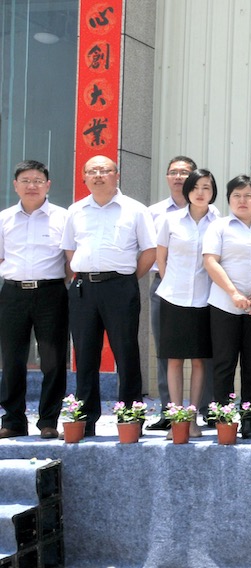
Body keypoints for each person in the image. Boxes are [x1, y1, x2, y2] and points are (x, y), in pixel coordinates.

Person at [61, 155, 156, 436]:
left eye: (105, 170)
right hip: (84, 288)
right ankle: (85, 419)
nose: (98, 175)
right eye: (92, 171)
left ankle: (130, 417)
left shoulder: (135, 210)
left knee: (126, 352)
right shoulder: (76, 210)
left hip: (120, 287)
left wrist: (127, 280)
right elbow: (70, 250)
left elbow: (150, 251)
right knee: (84, 354)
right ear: (84, 177)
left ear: (117, 175)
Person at [0, 160, 69, 439]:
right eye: (26, 181)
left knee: (53, 360)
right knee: (11, 359)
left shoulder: (63, 217)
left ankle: (48, 421)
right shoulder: (4, 218)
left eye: (38, 181)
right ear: (15, 185)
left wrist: (57, 283)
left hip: (51, 293)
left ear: (48, 185)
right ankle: (13, 421)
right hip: (13, 293)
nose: (32, 186)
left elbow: (70, 260)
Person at [204, 175, 251, 439]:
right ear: (229, 199)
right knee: (224, 363)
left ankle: (250, 417)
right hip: (224, 304)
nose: (243, 201)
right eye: (237, 196)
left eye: (248, 196)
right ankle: (224, 417)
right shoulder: (218, 227)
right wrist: (233, 293)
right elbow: (211, 262)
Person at [154, 168, 218, 439]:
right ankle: (176, 419)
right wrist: (172, 283)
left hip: (205, 299)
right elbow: (161, 257)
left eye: (206, 187)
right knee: (174, 360)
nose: (200, 193)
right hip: (173, 297)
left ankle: (192, 419)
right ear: (188, 190)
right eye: (196, 187)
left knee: (200, 361)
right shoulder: (170, 220)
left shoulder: (219, 222)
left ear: (213, 192)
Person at [146, 156, 198, 430]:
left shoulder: (211, 213)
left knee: (203, 353)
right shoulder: (154, 213)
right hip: (164, 286)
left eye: (184, 172)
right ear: (167, 177)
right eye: (173, 172)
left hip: (201, 289)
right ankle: (170, 412)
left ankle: (204, 410)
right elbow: (148, 251)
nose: (178, 177)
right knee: (166, 351)